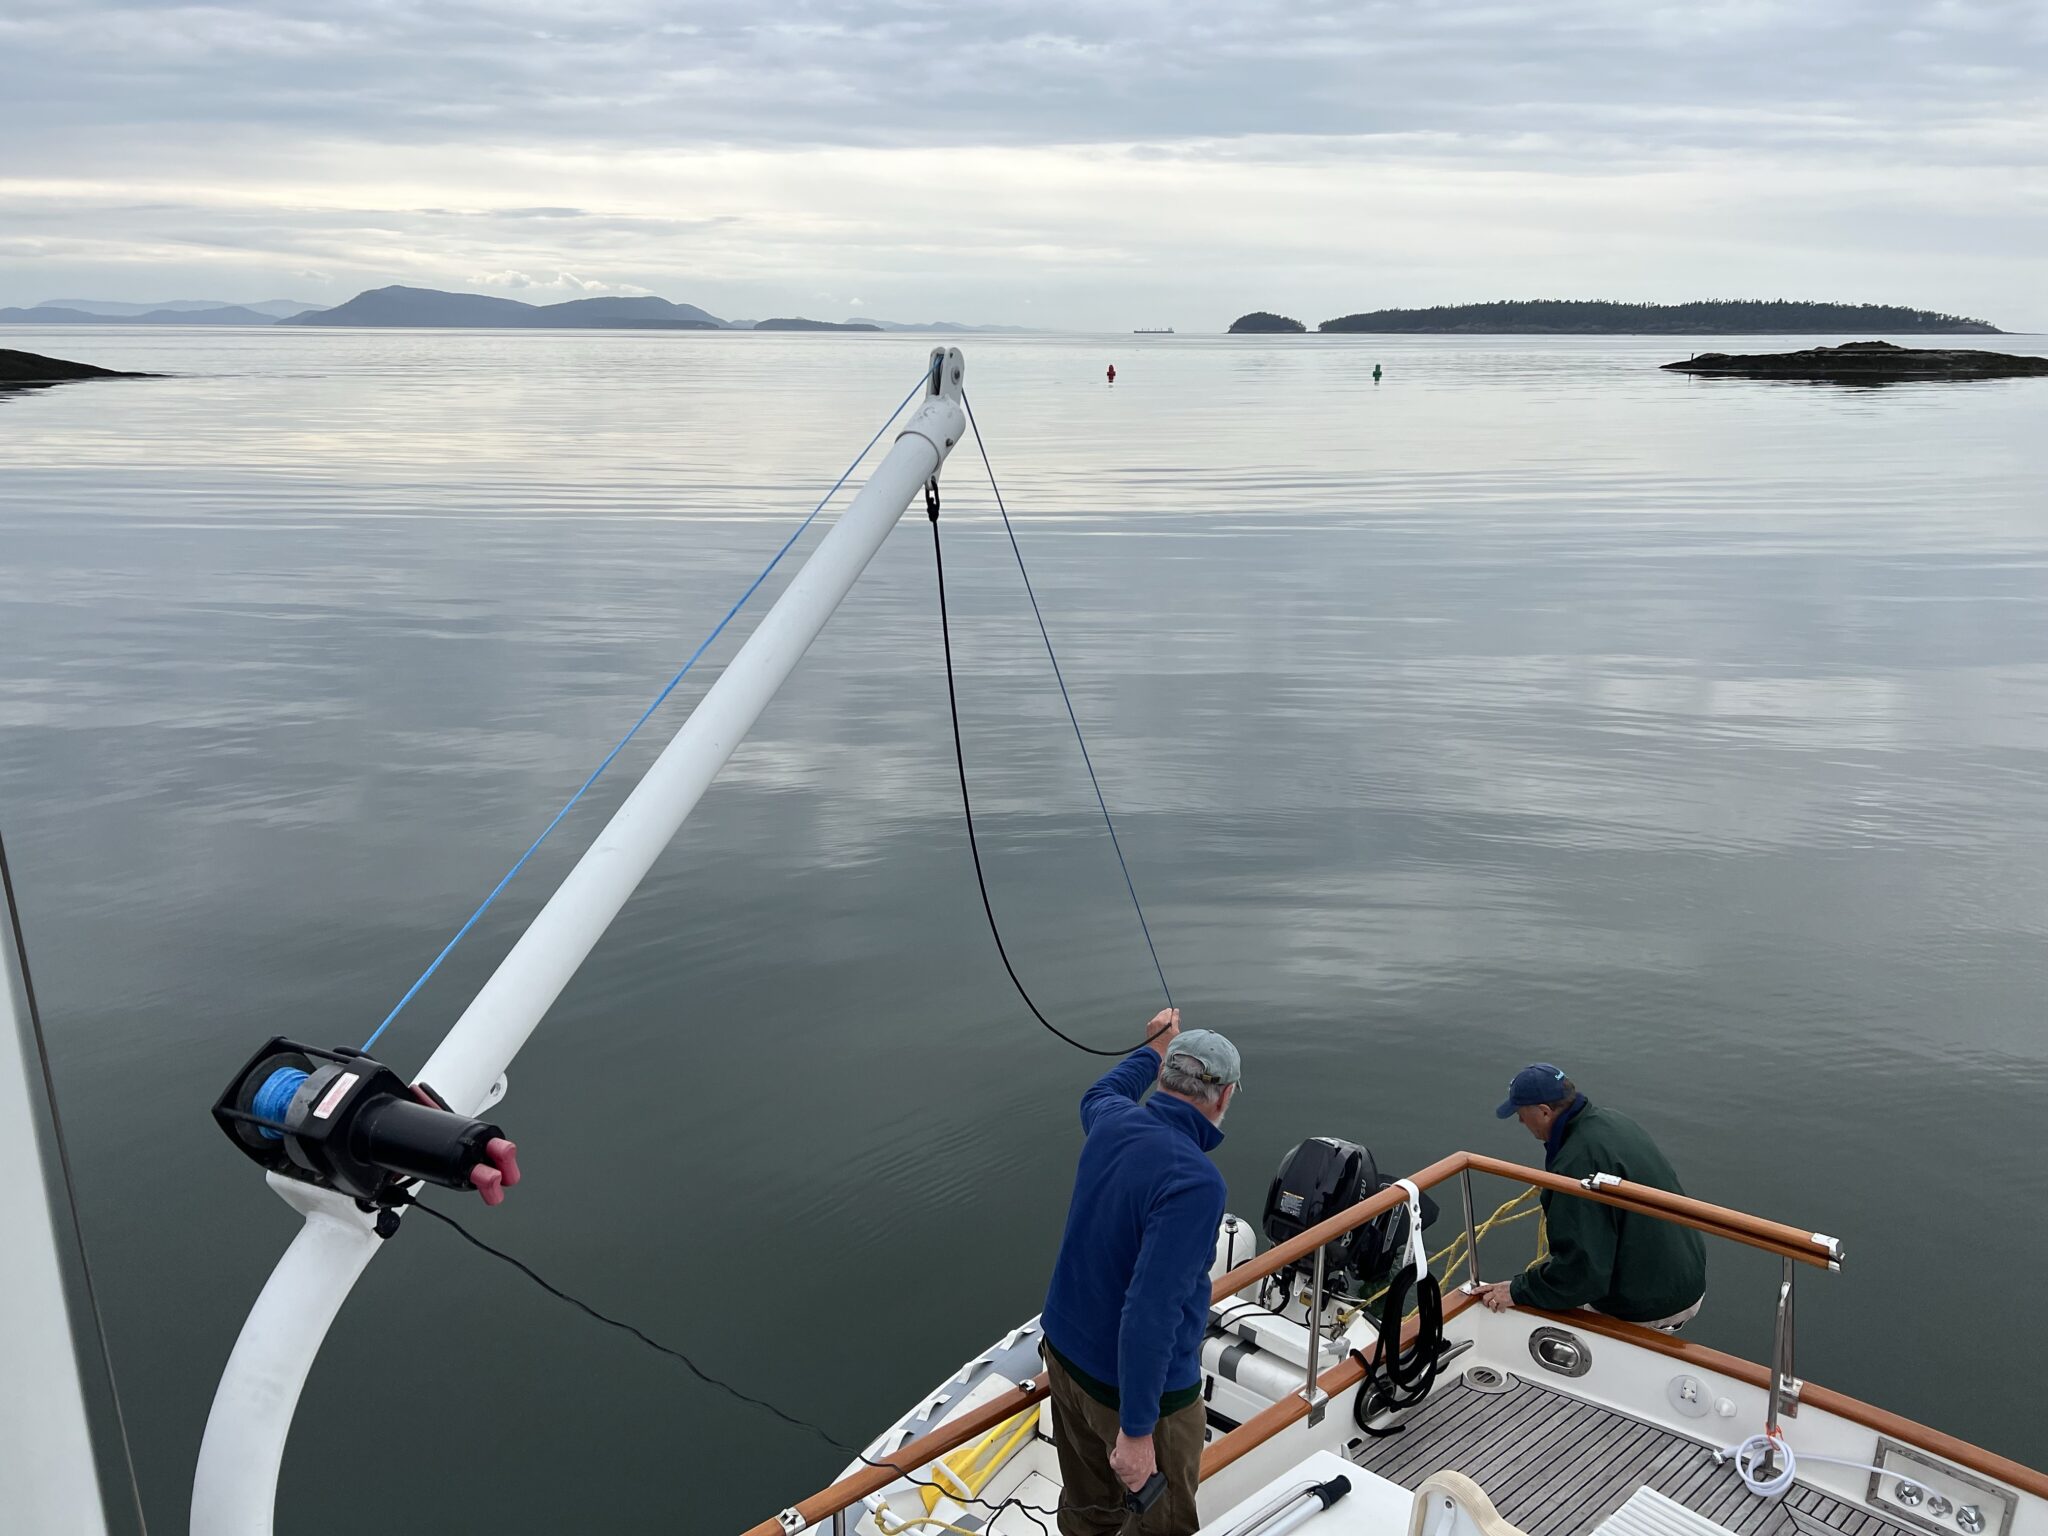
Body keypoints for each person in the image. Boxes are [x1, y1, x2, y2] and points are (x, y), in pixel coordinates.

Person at [1040, 1010, 1239, 1535]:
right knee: (1162, 1524)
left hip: (1064, 1361)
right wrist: (1135, 1432)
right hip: (1136, 1397)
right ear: (1224, 1096)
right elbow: (1150, 1311)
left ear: (1165, 1077)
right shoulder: (1196, 1182)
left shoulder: (1111, 1121)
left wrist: (1154, 1047)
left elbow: (1100, 1091)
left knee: (1089, 1512)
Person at [1473, 1063, 1706, 1331]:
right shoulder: (1612, 1120)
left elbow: (1581, 1272)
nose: (1520, 1121)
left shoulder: (1576, 1164)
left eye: (1521, 1113)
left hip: (1647, 1302)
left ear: (1545, 1111)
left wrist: (1518, 1290)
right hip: (1686, 1277)